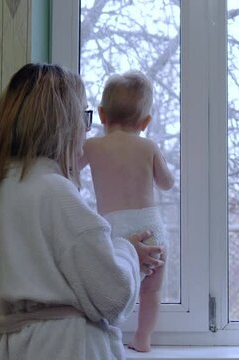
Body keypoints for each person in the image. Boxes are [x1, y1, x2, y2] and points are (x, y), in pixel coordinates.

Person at [0, 63, 164, 360]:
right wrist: (127, 253)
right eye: (84, 116)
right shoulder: (57, 194)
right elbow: (112, 297)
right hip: (68, 348)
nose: (86, 129)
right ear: (62, 123)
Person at [80, 71, 174, 352]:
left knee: (110, 288)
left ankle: (108, 339)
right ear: (145, 122)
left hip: (115, 230)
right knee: (151, 290)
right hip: (151, 227)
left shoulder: (92, 146)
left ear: (101, 115)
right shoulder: (148, 146)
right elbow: (167, 183)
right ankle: (143, 339)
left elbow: (68, 172)